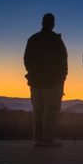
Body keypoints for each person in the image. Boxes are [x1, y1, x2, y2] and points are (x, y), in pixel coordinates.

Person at [24, 13, 68, 147]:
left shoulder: (33, 39)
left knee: (38, 110)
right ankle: (47, 140)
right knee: (52, 110)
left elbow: (26, 60)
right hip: (53, 82)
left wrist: (32, 73)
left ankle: (37, 139)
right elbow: (63, 61)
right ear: (53, 24)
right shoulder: (56, 40)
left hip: (36, 81)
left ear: (42, 22)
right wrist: (62, 77)